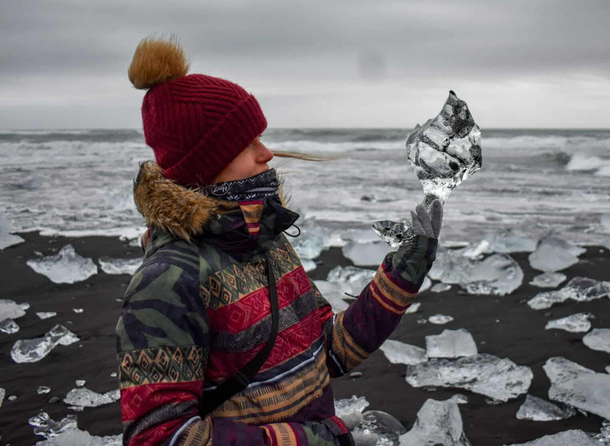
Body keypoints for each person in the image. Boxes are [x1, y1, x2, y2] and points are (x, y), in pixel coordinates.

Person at [116, 36, 442, 446]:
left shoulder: (267, 244)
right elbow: (159, 437)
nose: (266, 153)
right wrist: (312, 441)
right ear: (204, 163)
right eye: (246, 144)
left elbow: (328, 352)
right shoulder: (168, 282)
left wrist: (404, 271)